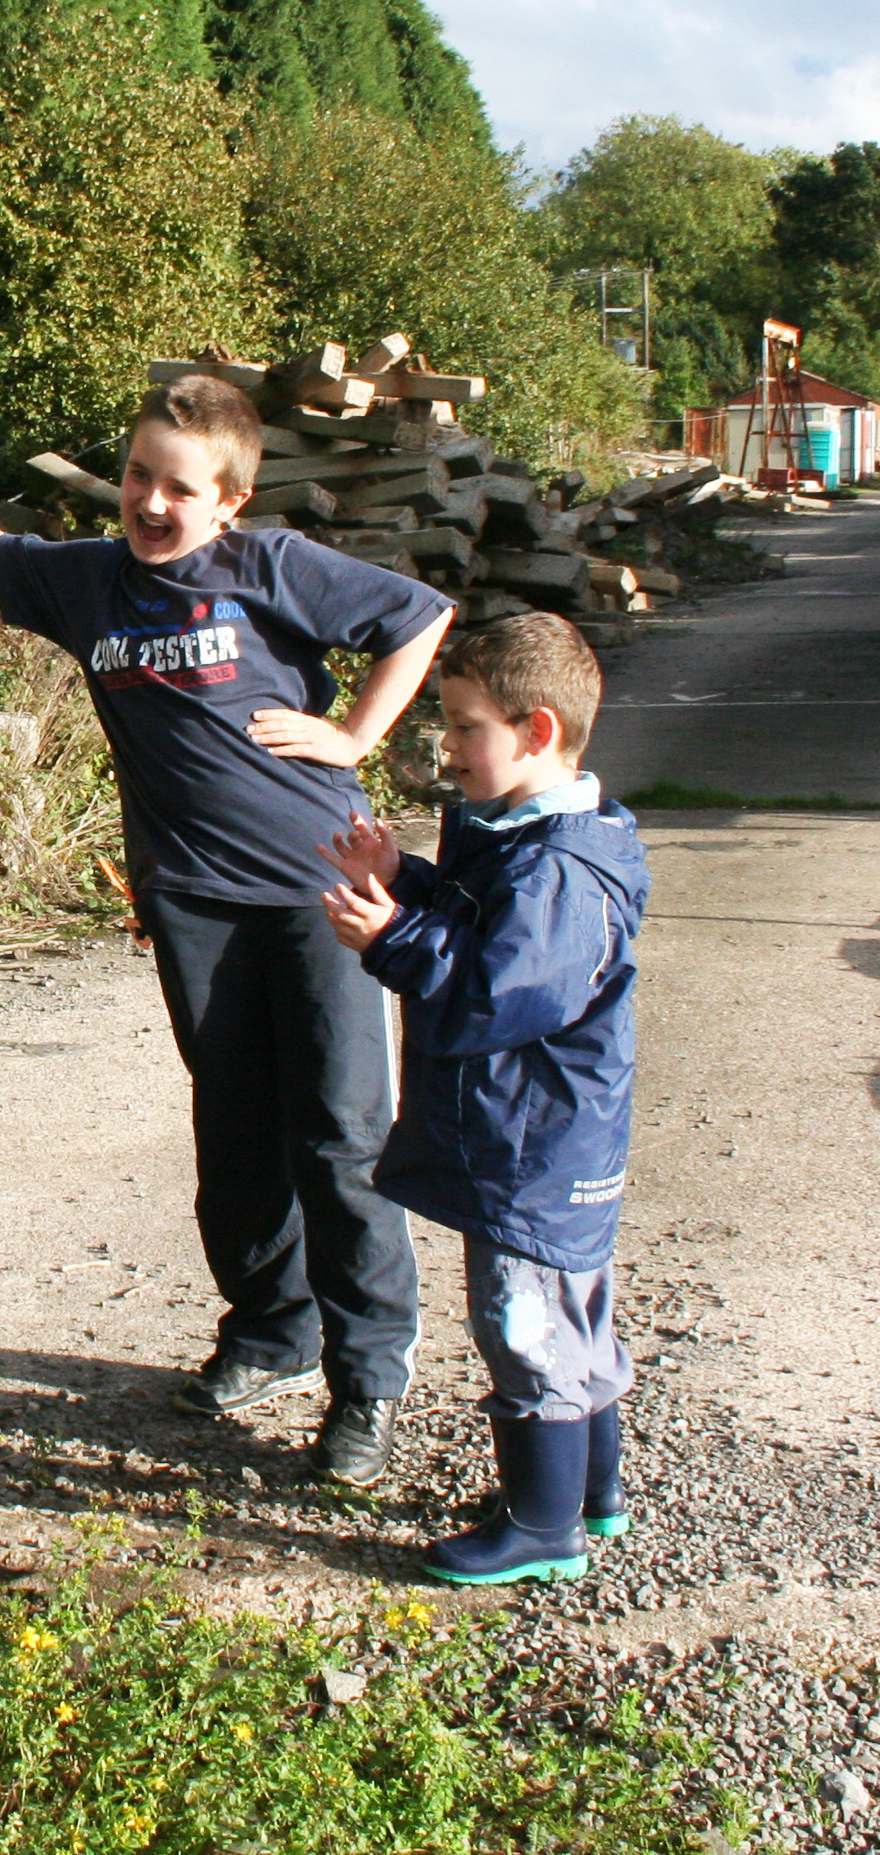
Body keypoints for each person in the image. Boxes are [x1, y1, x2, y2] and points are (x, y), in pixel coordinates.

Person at [0, 374, 452, 1486]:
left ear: (230, 500)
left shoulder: (266, 568)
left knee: (342, 1134)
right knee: (236, 1133)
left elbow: (418, 618)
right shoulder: (91, 583)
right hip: (193, 900)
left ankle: (369, 1379)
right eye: (138, 477)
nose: (153, 503)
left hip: (321, 896)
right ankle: (271, 1333)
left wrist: (355, 735)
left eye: (181, 488)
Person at [318, 612, 646, 1583]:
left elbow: (504, 993)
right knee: (573, 1312)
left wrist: (390, 940)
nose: (448, 748)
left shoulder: (559, 871)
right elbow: (483, 924)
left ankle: (545, 1530)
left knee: (525, 1322)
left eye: (465, 727)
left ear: (536, 732)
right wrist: (405, 881)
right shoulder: (528, 839)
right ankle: (588, 1494)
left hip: (532, 1147)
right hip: (545, 1138)